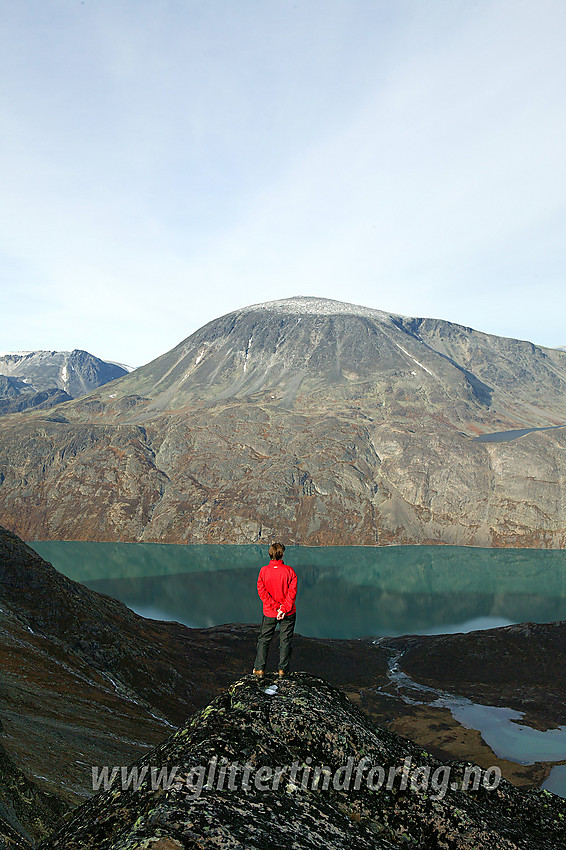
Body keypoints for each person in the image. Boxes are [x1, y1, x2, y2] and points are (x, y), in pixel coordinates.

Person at [253, 542, 297, 678]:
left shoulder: (263, 571)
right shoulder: (290, 571)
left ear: (270, 554)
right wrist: (283, 609)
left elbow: (262, 592)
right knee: (285, 641)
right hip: (288, 613)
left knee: (264, 640)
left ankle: (259, 669)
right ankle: (283, 671)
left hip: (270, 613)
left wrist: (275, 608)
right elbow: (292, 593)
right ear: (282, 554)